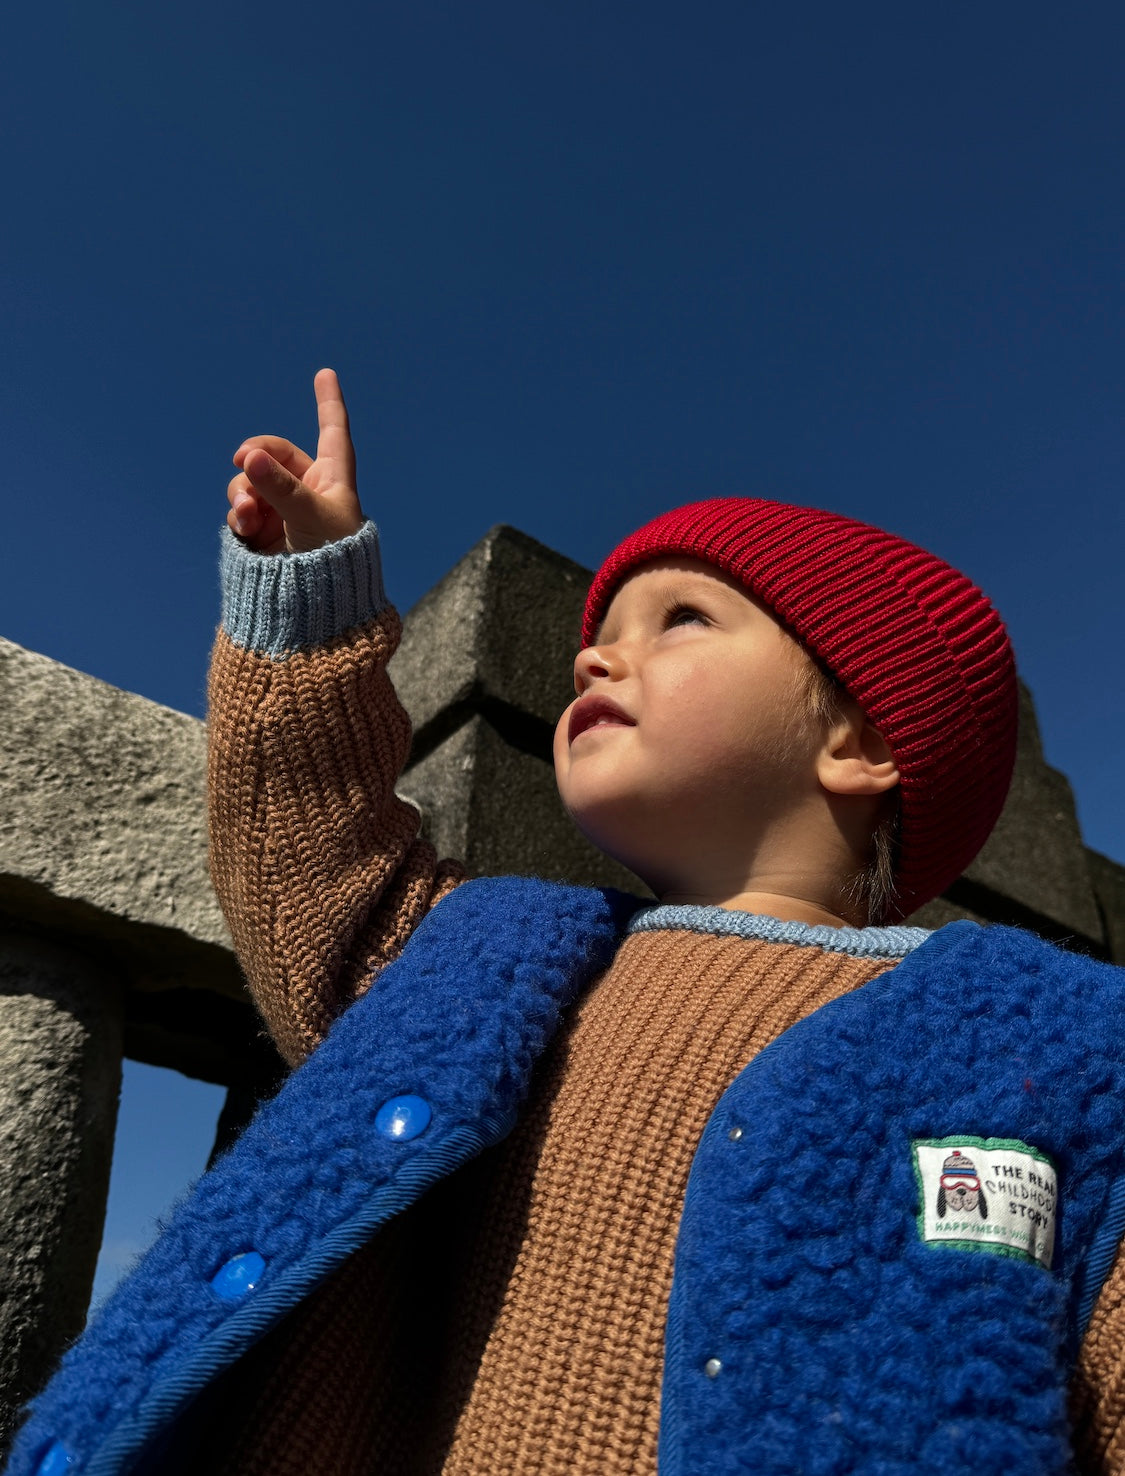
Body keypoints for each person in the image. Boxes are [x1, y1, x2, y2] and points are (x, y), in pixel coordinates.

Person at [8, 372, 1125, 1476]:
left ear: (858, 743)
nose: (592, 654)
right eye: (602, 632)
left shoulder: (1047, 1041)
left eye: (682, 619)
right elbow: (315, 865)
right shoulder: (497, 957)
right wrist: (309, 600)